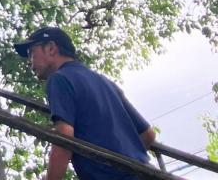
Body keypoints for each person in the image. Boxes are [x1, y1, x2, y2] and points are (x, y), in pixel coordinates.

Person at [14, 26, 157, 180]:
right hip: (147, 173)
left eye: (31, 53)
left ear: (50, 48)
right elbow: (148, 134)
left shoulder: (59, 79)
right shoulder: (104, 81)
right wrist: (125, 163)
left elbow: (64, 139)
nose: (29, 62)